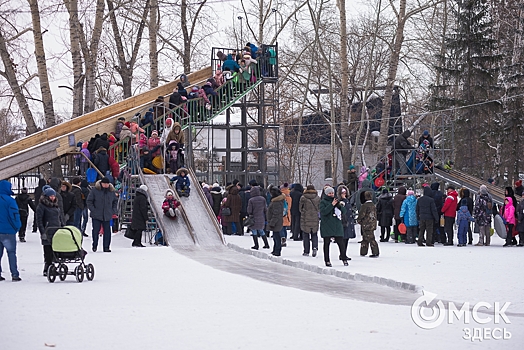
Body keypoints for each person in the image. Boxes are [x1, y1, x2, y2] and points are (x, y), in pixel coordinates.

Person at [36, 187, 63, 276]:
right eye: (50, 196)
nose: (52, 198)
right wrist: (42, 232)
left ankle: (53, 267)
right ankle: (47, 267)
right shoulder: (42, 206)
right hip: (47, 230)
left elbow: (59, 217)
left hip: (56, 230)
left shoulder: (55, 205)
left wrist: (62, 225)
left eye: (53, 196)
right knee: (48, 251)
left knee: (55, 250)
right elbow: (39, 220)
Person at [86, 177, 118, 252]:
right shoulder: (95, 190)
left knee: (107, 232)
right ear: (101, 183)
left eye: (107, 184)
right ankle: (95, 245)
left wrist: (113, 210)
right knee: (95, 231)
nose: (106, 185)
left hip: (107, 215)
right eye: (104, 183)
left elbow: (115, 201)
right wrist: (93, 210)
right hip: (96, 215)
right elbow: (89, 201)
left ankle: (106, 247)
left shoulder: (111, 191)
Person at [320, 187, 349, 267]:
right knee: (326, 243)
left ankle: (344, 258)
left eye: (332, 193)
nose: (331, 195)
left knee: (341, 243)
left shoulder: (337, 201)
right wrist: (331, 205)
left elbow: (344, 211)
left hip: (337, 225)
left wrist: (338, 206)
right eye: (329, 193)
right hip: (327, 225)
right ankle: (327, 260)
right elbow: (324, 212)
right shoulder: (323, 202)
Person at [0, 180, 22, 281]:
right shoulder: (9, 201)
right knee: (11, 253)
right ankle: (14, 274)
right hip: (8, 231)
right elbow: (14, 216)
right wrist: (17, 227)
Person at [299, 184, 320, 257]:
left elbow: (300, 208)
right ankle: (315, 247)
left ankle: (306, 251)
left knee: (306, 235)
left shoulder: (303, 198)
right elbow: (319, 208)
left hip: (305, 218)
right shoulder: (317, 198)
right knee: (314, 234)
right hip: (314, 218)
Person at [357, 191, 380, 258]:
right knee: (366, 237)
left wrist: (358, 220)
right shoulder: (373, 205)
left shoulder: (365, 206)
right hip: (372, 223)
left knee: (370, 238)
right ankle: (363, 252)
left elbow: (362, 214)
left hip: (366, 224)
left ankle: (375, 252)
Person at [337, 185, 356, 260]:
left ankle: (343, 253)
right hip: (343, 221)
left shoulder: (347, 200)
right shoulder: (341, 201)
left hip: (348, 221)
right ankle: (342, 254)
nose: (344, 194)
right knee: (343, 239)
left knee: (346, 239)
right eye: (342, 192)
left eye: (345, 192)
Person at [267, 186, 285, 256]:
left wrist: (272, 222)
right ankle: (275, 250)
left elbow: (276, 214)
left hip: (276, 222)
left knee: (277, 237)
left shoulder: (277, 202)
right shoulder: (276, 201)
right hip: (276, 221)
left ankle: (277, 251)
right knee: (275, 236)